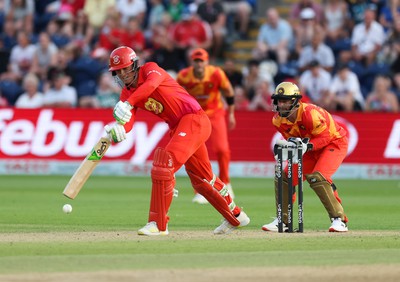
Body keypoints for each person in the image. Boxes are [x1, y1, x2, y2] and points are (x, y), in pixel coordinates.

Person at [106, 46, 250, 235]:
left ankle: (158, 224)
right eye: (119, 71)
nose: (123, 74)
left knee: (164, 166)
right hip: (178, 128)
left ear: (134, 64)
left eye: (126, 68)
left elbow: (150, 86)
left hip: (193, 119)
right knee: (202, 180)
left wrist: (129, 103)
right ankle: (236, 216)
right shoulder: (127, 94)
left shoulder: (150, 69)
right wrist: (118, 129)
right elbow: (128, 121)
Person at [262, 81, 349, 232]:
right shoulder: (278, 121)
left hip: (334, 143)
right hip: (310, 148)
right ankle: (283, 221)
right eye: (279, 101)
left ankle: (339, 220)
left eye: (285, 101)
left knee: (318, 176)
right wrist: (288, 146)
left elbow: (326, 137)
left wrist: (306, 145)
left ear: (295, 101)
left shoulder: (310, 115)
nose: (281, 105)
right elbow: (294, 140)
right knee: (285, 177)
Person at [177, 48, 236, 204]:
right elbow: (176, 94)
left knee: (222, 149)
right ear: (192, 62)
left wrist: (230, 114)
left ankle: (226, 183)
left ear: (207, 61)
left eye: (201, 61)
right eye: (196, 61)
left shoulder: (216, 74)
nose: (199, 64)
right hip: (194, 115)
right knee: (193, 153)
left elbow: (229, 92)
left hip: (215, 113)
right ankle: (200, 190)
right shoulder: (183, 77)